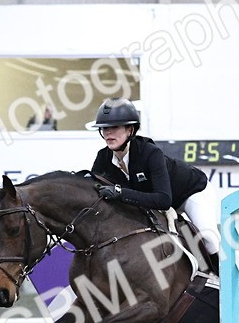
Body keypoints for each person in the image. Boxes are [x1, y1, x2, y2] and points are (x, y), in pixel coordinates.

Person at [89, 98, 219, 273]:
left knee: (208, 238)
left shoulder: (150, 153)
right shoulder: (102, 159)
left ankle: (235, 286)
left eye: (115, 127)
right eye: (104, 128)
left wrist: (120, 193)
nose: (108, 133)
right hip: (153, 201)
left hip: (191, 192)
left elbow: (164, 200)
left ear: (130, 129)